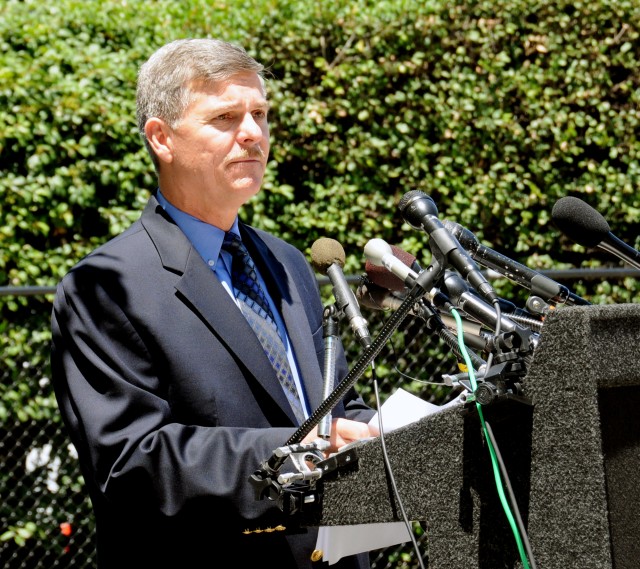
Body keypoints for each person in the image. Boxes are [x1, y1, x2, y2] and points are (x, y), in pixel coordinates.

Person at [50, 38, 379, 569]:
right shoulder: (104, 288)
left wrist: (393, 428)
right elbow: (132, 462)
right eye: (225, 117)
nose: (253, 133)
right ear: (162, 138)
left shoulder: (289, 262)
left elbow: (332, 408)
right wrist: (297, 452)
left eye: (260, 114)